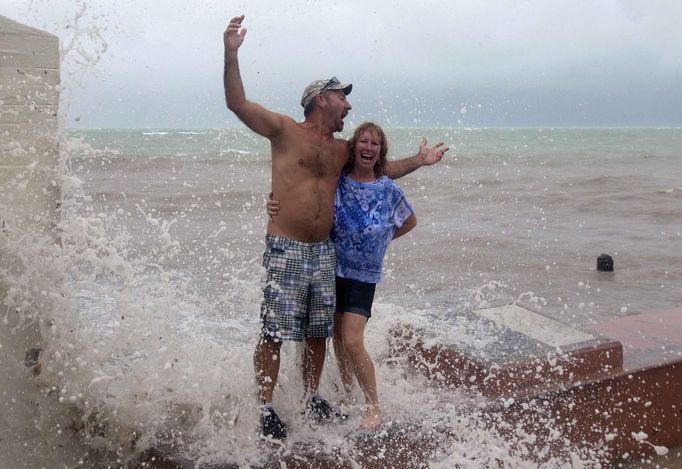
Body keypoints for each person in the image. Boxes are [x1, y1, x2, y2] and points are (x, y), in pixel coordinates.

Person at [223, 14, 447, 440]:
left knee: (317, 332)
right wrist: (231, 53)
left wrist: (418, 162)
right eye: (342, 97)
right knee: (274, 330)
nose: (348, 105)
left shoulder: (344, 150)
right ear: (321, 99)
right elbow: (238, 104)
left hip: (324, 251)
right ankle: (265, 406)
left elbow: (378, 168)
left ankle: (311, 396)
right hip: (287, 247)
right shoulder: (285, 130)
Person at [268, 122, 417, 429]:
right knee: (336, 337)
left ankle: (374, 407)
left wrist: (380, 241)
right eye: (363, 141)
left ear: (380, 152)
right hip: (333, 268)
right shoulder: (341, 182)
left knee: (351, 339)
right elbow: (306, 191)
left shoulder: (388, 189)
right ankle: (347, 394)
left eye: (375, 144)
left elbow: (409, 221)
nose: (368, 148)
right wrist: (273, 201)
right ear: (355, 147)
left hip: (364, 277)